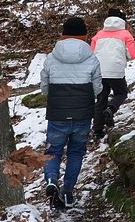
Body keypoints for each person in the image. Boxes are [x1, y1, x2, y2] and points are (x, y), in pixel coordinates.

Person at [40, 16, 102, 209]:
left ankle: (51, 181)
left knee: (53, 151)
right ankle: (67, 192)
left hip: (57, 114)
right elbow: (97, 88)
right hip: (82, 114)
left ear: (63, 34)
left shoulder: (51, 58)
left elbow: (44, 88)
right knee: (76, 152)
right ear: (84, 35)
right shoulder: (91, 58)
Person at [89, 8, 135, 140]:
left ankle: (97, 130)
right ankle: (111, 109)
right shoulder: (125, 34)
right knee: (121, 93)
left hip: (99, 71)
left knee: (101, 99)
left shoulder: (99, 34)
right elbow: (132, 55)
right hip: (116, 71)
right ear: (122, 21)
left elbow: (91, 53)